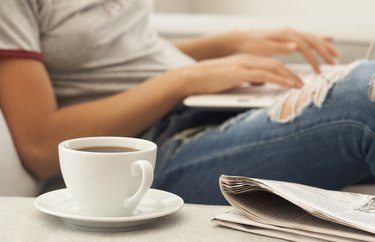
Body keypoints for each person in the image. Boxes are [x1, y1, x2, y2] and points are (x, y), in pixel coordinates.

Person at [0, 0, 374, 204]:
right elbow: (39, 144)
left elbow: (121, 60)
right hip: (145, 150)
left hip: (202, 107)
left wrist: (226, 46)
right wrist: (184, 80)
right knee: (363, 100)